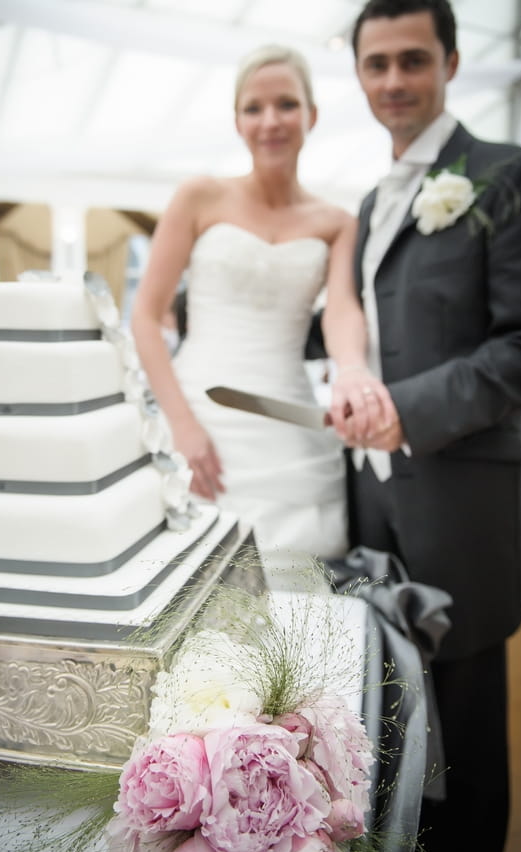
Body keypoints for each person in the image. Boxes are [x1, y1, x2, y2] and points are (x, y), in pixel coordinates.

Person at [324, 1, 521, 852]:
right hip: (373, 499)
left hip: (463, 506)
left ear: (451, 61)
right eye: (376, 65)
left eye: (413, 60)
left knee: (469, 739)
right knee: (397, 725)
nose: (394, 82)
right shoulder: (374, 202)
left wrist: (404, 410)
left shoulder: (511, 177)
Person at [131, 44, 393, 581]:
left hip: (289, 424)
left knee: (297, 586)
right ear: (237, 121)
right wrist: (181, 424)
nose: (270, 121)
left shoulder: (337, 222)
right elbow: (145, 316)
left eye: (286, 105)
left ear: (311, 115)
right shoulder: (199, 197)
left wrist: (353, 369)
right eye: (254, 108)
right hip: (199, 416)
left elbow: (341, 310)